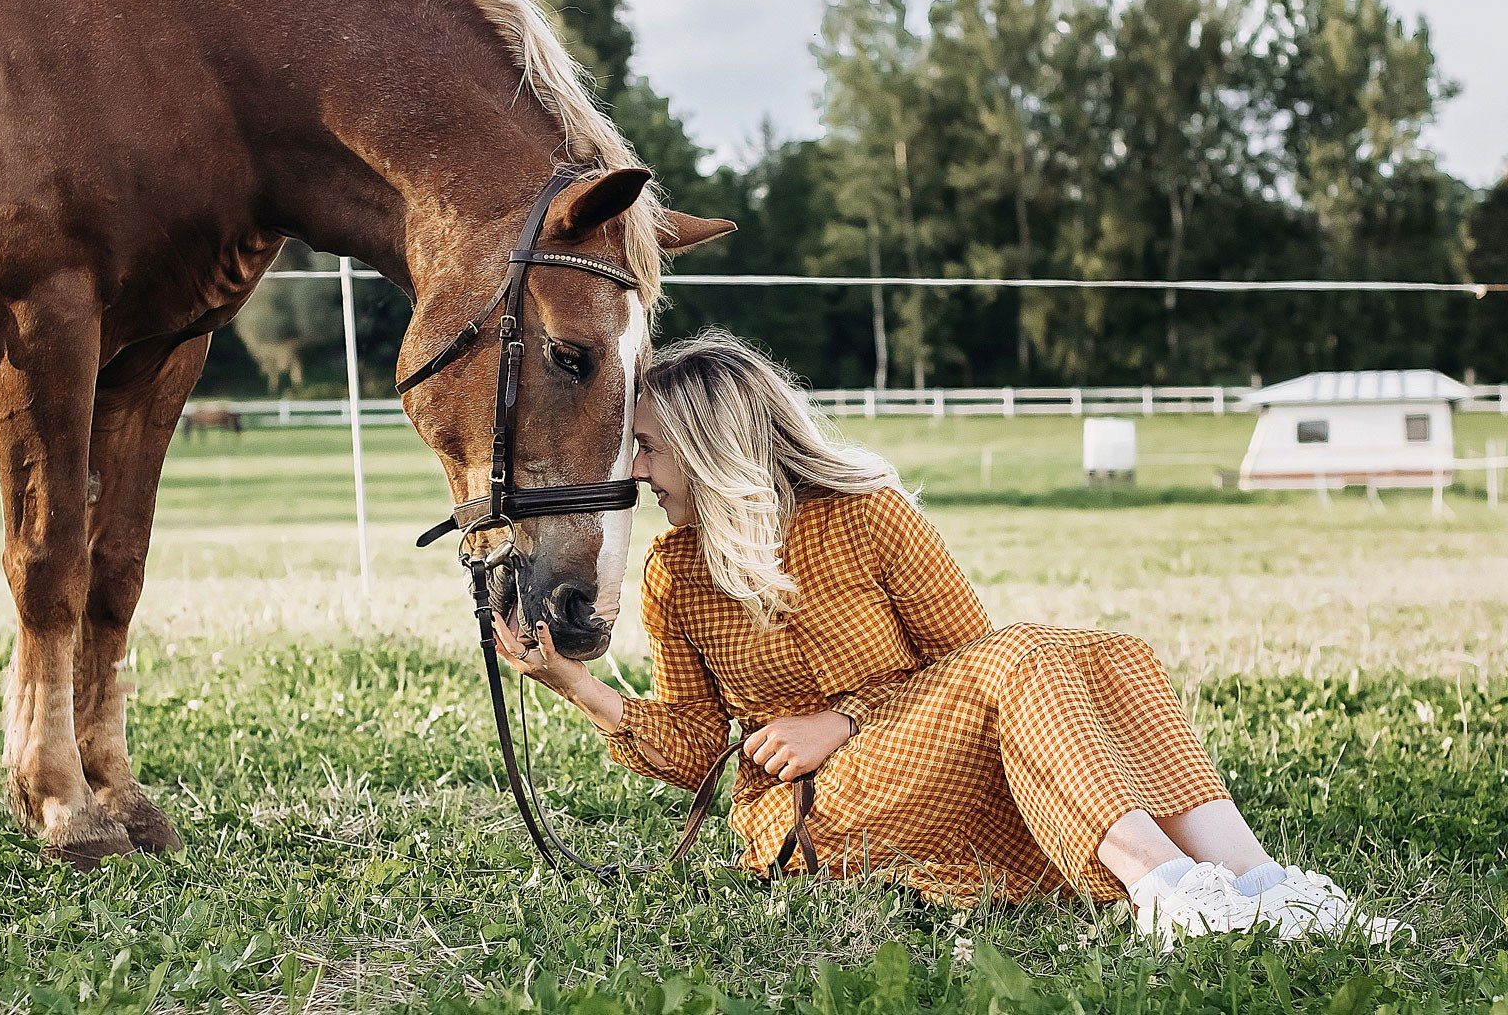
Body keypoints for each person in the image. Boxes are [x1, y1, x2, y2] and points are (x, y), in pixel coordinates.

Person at [499, 329, 1401, 946]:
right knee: (1028, 653)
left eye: (648, 447)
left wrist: (843, 717)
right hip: (808, 809)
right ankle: (1168, 888)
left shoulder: (869, 516)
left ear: (712, 450)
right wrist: (577, 685)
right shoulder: (675, 572)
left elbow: (972, 660)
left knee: (1108, 653)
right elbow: (698, 743)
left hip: (922, 759)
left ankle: (1262, 884)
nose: (634, 472)